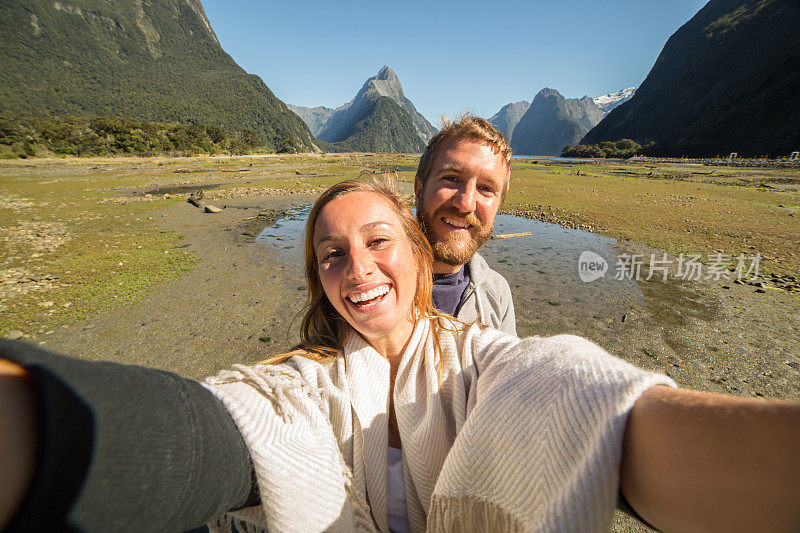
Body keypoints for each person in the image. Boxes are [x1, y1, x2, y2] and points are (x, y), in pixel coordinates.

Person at [1, 179, 799, 532]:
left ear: (418, 253)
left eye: (378, 241)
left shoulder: (486, 359)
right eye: (331, 254)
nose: (357, 270)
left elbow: (580, 398)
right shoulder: (302, 385)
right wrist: (42, 424)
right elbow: (223, 428)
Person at [415, 115, 517, 335]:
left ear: (498, 206)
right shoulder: (370, 283)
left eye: (486, 188)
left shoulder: (497, 291)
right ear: (419, 190)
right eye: (452, 178)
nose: (465, 204)